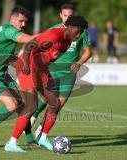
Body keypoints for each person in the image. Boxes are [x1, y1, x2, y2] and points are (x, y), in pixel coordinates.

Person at [4, 15, 89, 152]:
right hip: (28, 65)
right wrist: (25, 63)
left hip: (41, 69)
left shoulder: (66, 43)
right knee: (32, 105)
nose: (79, 35)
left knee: (54, 103)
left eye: (81, 33)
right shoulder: (53, 35)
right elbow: (29, 46)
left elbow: (48, 57)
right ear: (71, 28)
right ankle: (11, 143)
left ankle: (43, 137)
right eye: (78, 32)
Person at [27, 4, 91, 141]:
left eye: (71, 15)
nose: (68, 17)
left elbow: (88, 52)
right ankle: (33, 117)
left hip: (69, 72)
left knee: (58, 105)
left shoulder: (81, 31)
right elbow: (38, 46)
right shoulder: (53, 30)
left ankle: (41, 131)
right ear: (61, 15)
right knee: (45, 99)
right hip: (53, 69)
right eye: (66, 15)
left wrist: (78, 63)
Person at [0, 6, 35, 148]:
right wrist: (46, 36)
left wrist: (3, 54)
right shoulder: (10, 30)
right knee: (12, 105)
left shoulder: (1, 29)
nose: (23, 25)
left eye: (25, 22)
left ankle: (30, 140)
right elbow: (25, 39)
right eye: (21, 21)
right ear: (12, 19)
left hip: (2, 75)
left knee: (23, 107)